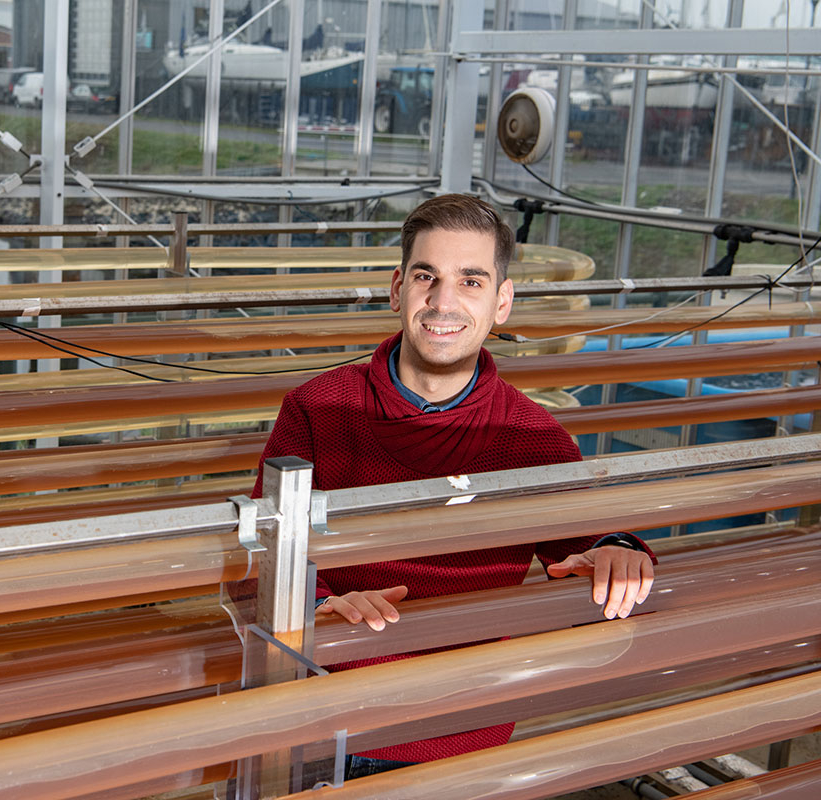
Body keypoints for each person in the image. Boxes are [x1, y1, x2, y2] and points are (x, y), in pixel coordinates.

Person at [252, 193, 656, 774]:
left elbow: (590, 541)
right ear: (398, 289)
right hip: (321, 720)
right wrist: (317, 602)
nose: (443, 302)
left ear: (502, 302)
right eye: (427, 277)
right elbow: (256, 554)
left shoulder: (531, 437)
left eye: (470, 281)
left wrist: (618, 549)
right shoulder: (317, 407)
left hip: (461, 735)